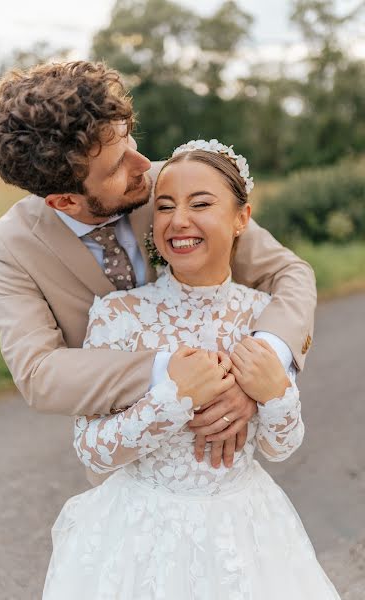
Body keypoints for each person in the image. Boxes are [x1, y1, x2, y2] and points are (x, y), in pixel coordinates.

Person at [0, 61, 316, 479]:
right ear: (64, 201)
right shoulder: (12, 243)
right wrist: (173, 375)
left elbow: (289, 274)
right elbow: (39, 372)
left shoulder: (176, 185)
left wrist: (255, 372)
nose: (144, 165)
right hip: (128, 468)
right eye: (117, 166)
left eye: (129, 141)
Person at [42, 140, 340, 599]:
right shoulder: (118, 314)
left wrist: (275, 391)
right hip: (139, 533)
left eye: (200, 203)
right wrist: (174, 399)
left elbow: (281, 446)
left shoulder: (263, 316)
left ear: (242, 217)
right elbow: (91, 449)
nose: (178, 220)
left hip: (243, 532)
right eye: (164, 207)